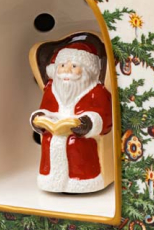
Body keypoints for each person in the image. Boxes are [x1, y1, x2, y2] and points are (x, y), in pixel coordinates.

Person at [30, 41, 112, 193]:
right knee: (48, 139)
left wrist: (86, 123)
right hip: (55, 134)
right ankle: (50, 179)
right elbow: (45, 108)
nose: (66, 71)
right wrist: (40, 119)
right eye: (62, 66)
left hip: (82, 137)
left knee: (75, 143)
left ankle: (81, 180)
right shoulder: (52, 90)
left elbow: (104, 117)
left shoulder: (96, 92)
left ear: (87, 71)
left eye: (74, 66)